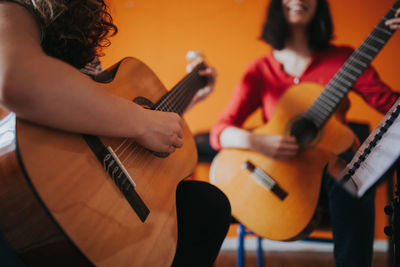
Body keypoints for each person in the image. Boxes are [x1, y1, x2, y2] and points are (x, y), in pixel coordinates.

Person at [0, 1, 231, 267]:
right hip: (26, 188)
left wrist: (188, 99)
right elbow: (17, 79)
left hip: (87, 178)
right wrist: (142, 121)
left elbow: (99, 112)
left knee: (205, 207)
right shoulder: (13, 7)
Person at [210, 0, 400, 266]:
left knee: (349, 177)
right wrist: (257, 141)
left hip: (327, 188)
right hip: (273, 182)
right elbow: (219, 131)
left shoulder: (345, 59)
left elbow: (393, 107)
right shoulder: (260, 70)